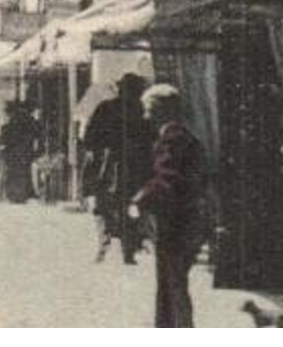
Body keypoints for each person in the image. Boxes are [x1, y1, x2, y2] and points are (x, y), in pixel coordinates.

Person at [130, 83, 207, 329]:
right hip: (186, 219)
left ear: (162, 109)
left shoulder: (172, 138)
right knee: (173, 282)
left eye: (148, 109)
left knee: (172, 283)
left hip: (176, 222)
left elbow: (168, 179)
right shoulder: (184, 136)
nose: (145, 116)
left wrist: (141, 198)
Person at [81, 73, 153, 264]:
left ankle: (104, 246)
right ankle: (128, 249)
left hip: (109, 165)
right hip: (135, 167)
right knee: (131, 205)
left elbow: (89, 138)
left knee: (104, 206)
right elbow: (150, 140)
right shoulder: (142, 111)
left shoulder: (106, 108)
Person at [0, 100, 39, 204]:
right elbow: (37, 133)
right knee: (23, 172)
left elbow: (5, 136)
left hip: (12, 152)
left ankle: (14, 196)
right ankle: (23, 195)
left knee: (13, 173)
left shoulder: (11, 121)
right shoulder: (30, 120)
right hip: (25, 151)